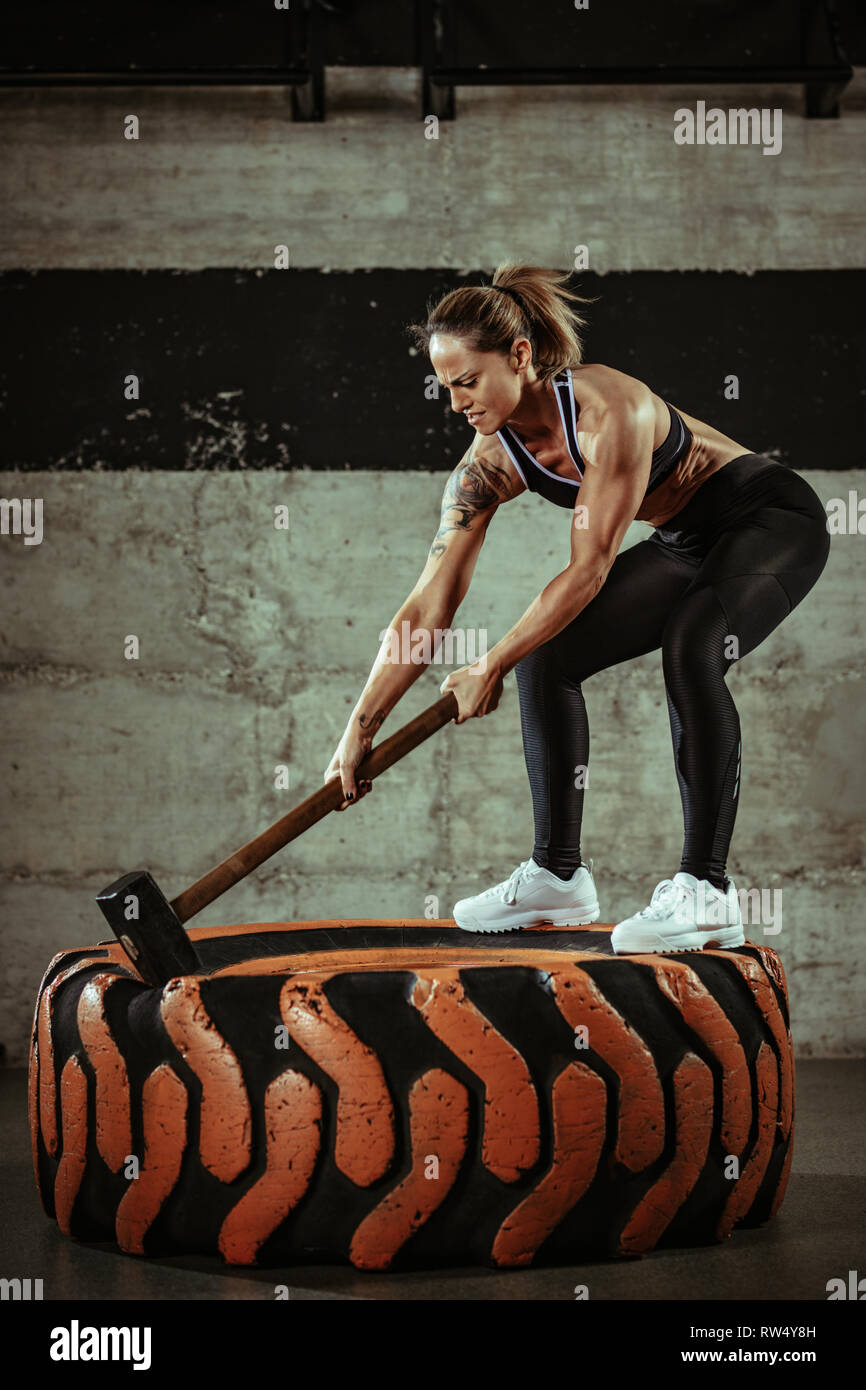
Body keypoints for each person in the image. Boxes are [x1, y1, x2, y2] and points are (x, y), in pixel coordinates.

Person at [323, 263, 831, 954]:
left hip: (771, 518)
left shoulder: (608, 410)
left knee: (693, 643)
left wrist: (491, 662)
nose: (456, 403)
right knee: (547, 656)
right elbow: (428, 606)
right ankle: (557, 877)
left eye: (468, 381)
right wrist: (359, 729)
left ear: (521, 356)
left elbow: (589, 569)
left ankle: (706, 891)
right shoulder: (486, 467)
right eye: (447, 388)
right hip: (687, 541)